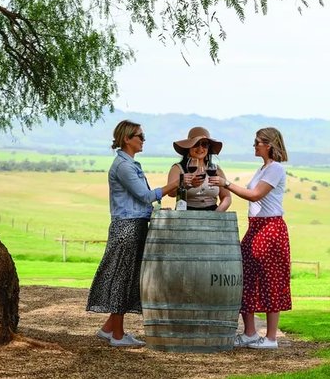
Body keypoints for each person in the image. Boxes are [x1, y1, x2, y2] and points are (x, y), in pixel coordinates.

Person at [86, 119, 180, 347]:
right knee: (122, 278)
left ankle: (109, 329)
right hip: (127, 228)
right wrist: (177, 183)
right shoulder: (125, 167)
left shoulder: (129, 164)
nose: (143, 140)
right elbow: (145, 196)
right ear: (126, 138)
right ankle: (118, 336)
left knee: (126, 278)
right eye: (140, 136)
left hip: (133, 225)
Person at [209, 127, 291, 349]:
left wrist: (226, 184)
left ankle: (271, 338)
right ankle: (250, 333)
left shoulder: (275, 169)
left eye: (257, 142)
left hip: (271, 228)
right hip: (256, 227)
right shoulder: (263, 169)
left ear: (269, 145)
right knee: (247, 277)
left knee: (270, 279)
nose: (254, 146)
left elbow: (255, 195)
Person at [168, 126, 232, 211]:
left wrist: (217, 213)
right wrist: (188, 185)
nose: (200, 148)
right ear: (189, 147)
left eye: (204, 144)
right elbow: (171, 193)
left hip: (213, 213)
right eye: (196, 144)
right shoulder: (178, 168)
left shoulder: (216, 169)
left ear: (208, 148)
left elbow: (226, 197)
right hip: (185, 214)